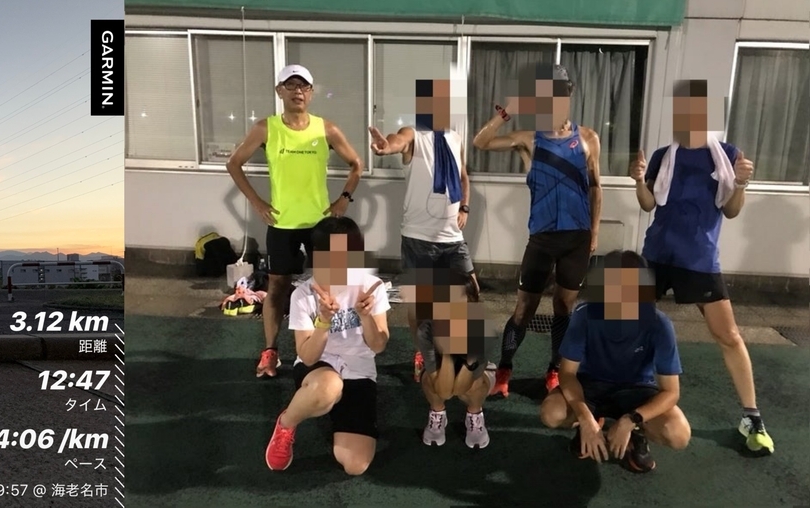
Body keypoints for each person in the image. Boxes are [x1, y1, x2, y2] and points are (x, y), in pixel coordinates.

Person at [629, 79, 773, 455]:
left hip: (699, 259)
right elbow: (648, 204)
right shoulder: (663, 155)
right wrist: (637, 180)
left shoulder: (726, 155)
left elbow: (732, 210)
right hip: (657, 253)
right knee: (631, 326)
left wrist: (740, 183)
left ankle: (752, 416)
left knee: (729, 335)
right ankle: (626, 402)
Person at [225, 64, 366, 378]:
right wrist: (257, 202)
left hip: (320, 225)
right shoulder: (266, 128)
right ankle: (270, 352)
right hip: (282, 225)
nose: (297, 91)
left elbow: (357, 164)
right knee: (277, 287)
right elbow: (234, 164)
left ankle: (327, 348)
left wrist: (344, 199)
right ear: (280, 91)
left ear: (311, 93)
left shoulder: (326, 129)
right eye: (290, 85)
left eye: (303, 86)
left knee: (329, 286)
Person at [472, 64, 603, 397]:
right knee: (524, 309)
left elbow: (595, 187)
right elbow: (481, 142)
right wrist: (506, 112)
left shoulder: (588, 138)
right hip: (542, 240)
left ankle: (554, 371)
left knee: (564, 308)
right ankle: (505, 370)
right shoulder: (528, 139)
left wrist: (594, 231)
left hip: (577, 239)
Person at [369, 76, 479, 384]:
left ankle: (462, 351)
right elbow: (397, 141)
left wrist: (465, 206)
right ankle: (422, 353)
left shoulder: (455, 138)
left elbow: (463, 175)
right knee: (420, 303)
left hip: (452, 237)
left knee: (471, 293)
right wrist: (386, 147)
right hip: (418, 238)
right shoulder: (413, 134)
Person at [540, 250, 691, 473]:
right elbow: (567, 374)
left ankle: (636, 434)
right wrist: (585, 418)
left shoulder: (659, 324)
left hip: (637, 390)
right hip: (590, 385)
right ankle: (592, 423)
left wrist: (632, 419)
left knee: (678, 434)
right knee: (551, 413)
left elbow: (671, 392)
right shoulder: (585, 314)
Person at [264, 216, 390, 475]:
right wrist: (323, 321)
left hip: (359, 370)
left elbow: (378, 346)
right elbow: (308, 357)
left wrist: (366, 316)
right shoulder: (303, 295)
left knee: (355, 465)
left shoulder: (370, 287)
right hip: (319, 368)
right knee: (329, 387)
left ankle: (332, 407)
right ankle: (286, 423)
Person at [400, 270, 496, 449]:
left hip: (473, 375)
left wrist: (469, 359)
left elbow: (461, 389)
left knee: (474, 386)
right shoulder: (427, 330)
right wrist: (446, 352)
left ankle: (474, 414)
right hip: (442, 371)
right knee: (429, 380)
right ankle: (438, 412)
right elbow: (444, 391)